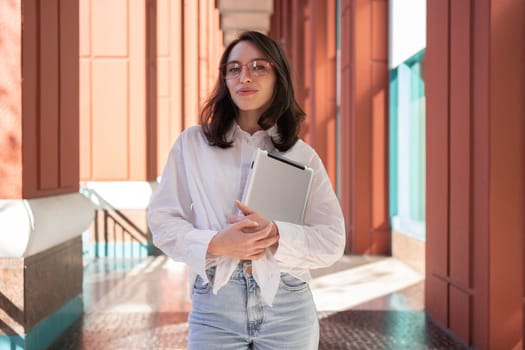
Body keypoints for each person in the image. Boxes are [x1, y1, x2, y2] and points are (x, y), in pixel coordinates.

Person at [147, 31, 345, 349]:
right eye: (234, 68)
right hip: (215, 305)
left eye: (258, 66)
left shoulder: (301, 155)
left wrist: (277, 233)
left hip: (287, 304)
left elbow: (332, 241)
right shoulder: (192, 145)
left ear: (278, 76)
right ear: (224, 79)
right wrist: (215, 243)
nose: (245, 76)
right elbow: (162, 221)